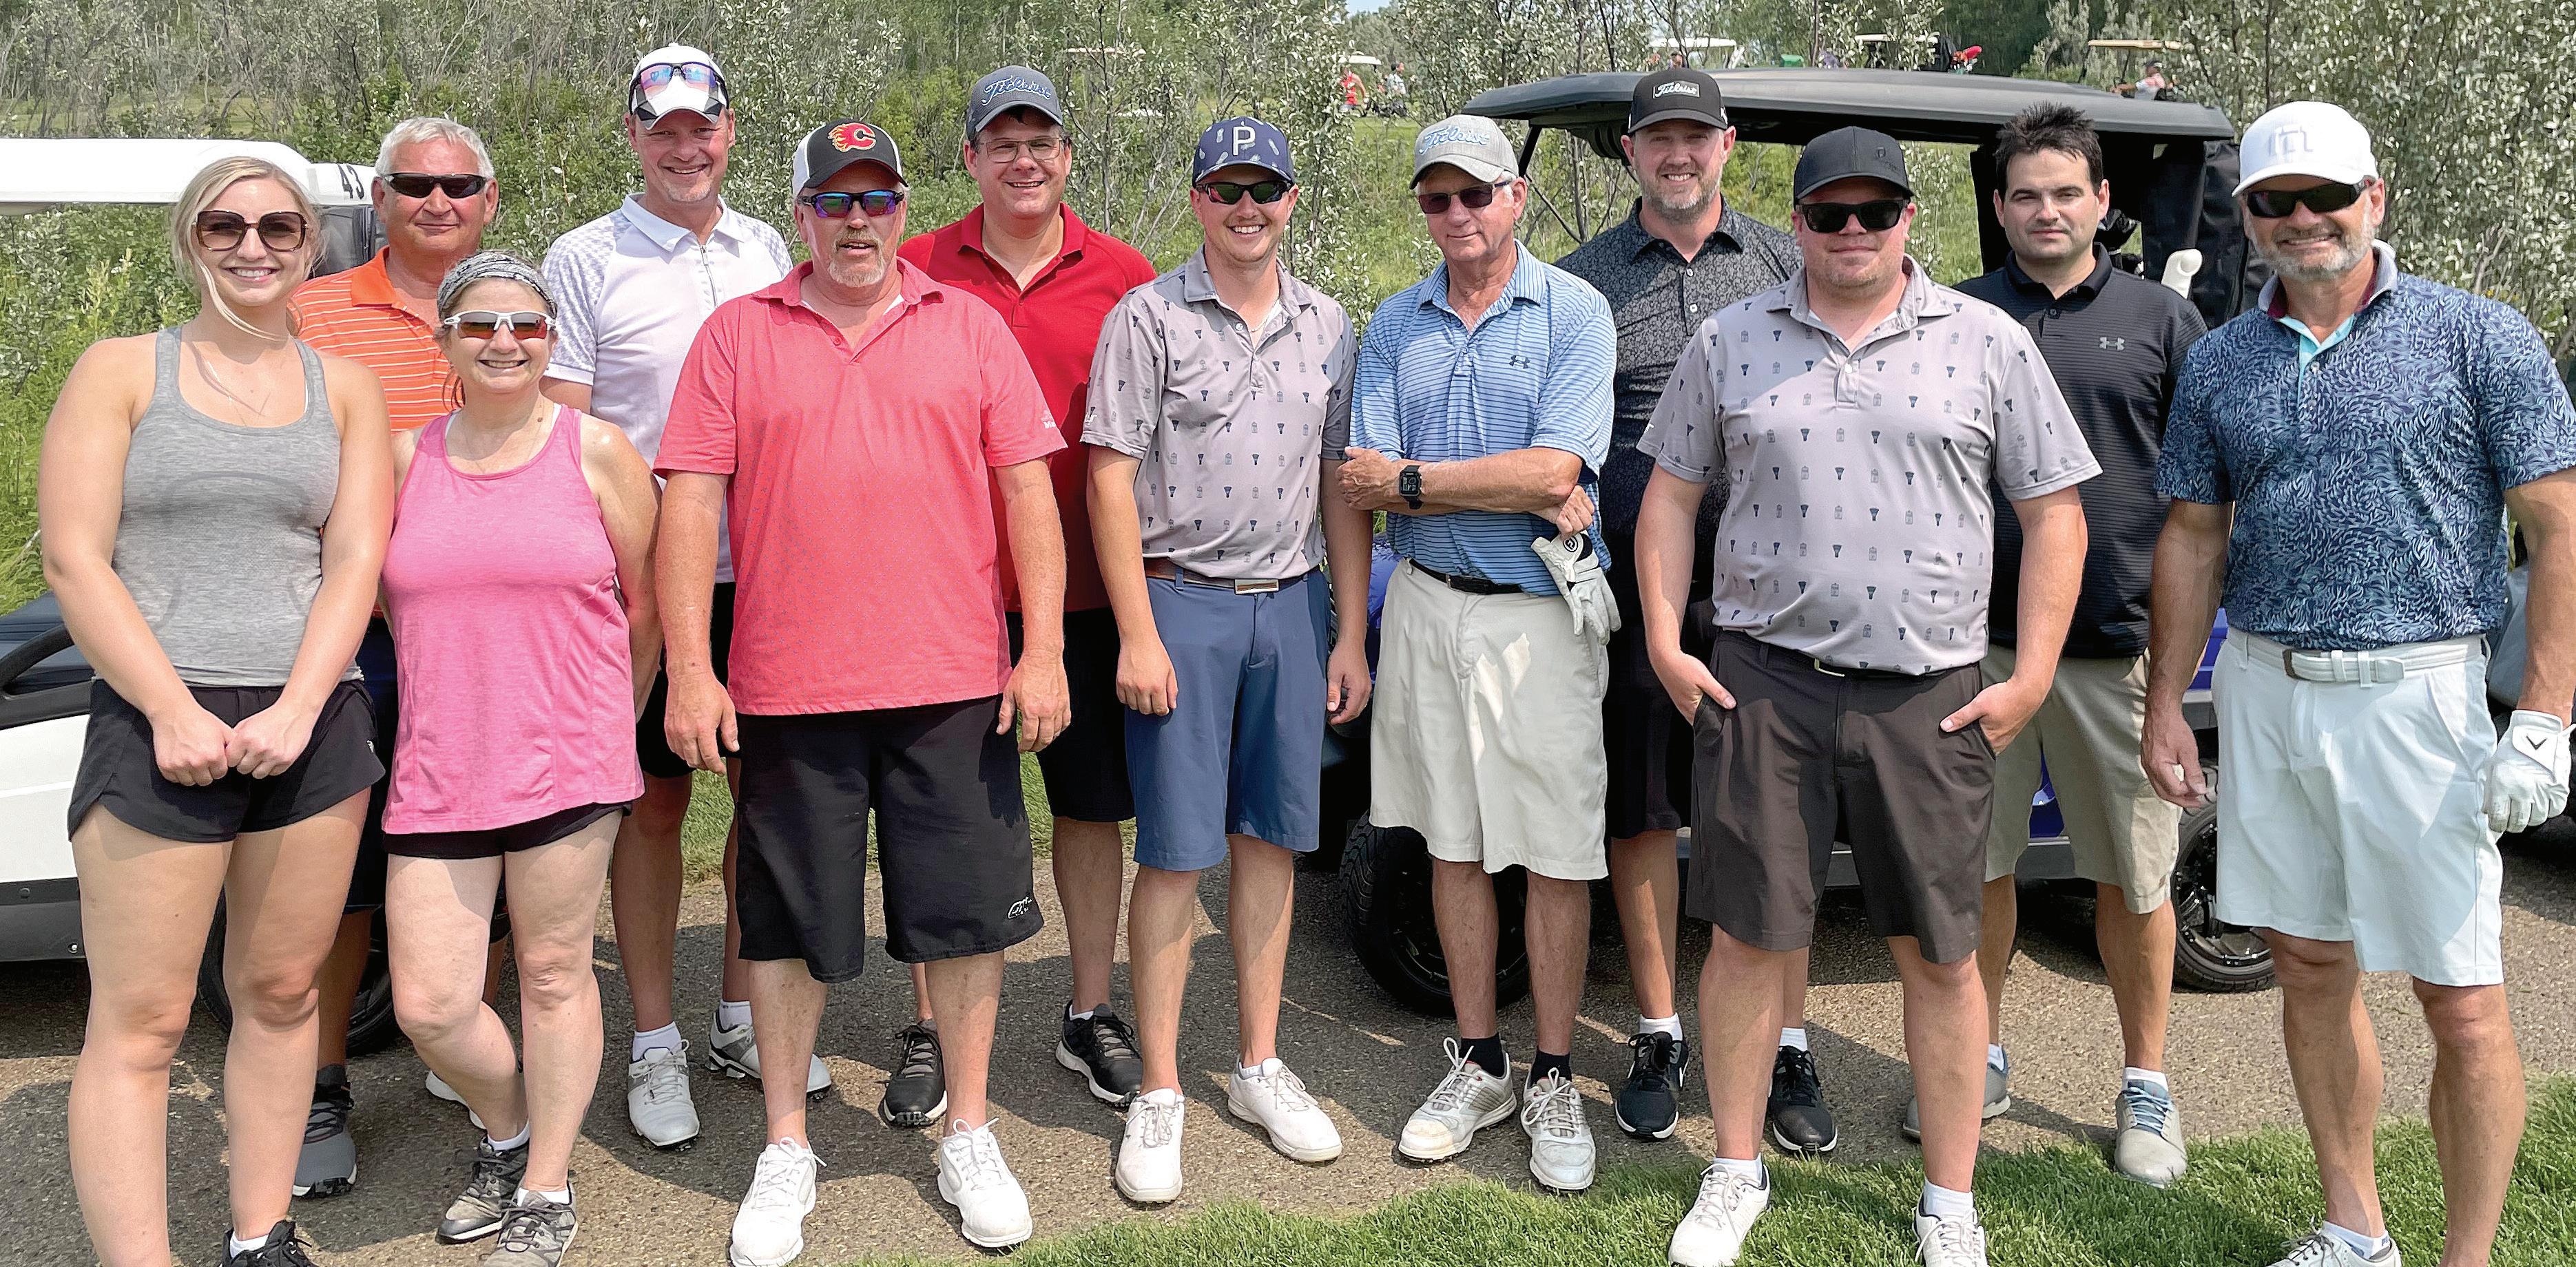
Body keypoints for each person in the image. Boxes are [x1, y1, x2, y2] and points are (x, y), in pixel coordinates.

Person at [1637, 128, 2097, 1267]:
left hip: (1928, 701)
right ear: (1794, 221)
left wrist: (2033, 673)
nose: (1853, 232)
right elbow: (1670, 498)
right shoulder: (1729, 338)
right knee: (1748, 940)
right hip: (1762, 687)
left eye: (1875, 212)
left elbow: (2055, 513)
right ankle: (1734, 1170)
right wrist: (1664, 640)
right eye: (1829, 214)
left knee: (1940, 956)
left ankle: (1949, 1202)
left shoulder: (1986, 340)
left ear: (1909, 218)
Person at [2145, 101, 2576, 1267]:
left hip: (2420, 697)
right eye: (2276, 202)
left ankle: (2465, 1259)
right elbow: (2193, 534)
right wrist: (2166, 701)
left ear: (2374, 200)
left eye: (2327, 197)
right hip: (2266, 687)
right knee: (2308, 965)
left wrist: (2545, 715)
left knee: (2461, 997)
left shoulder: (2479, 336)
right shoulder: (2221, 358)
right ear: (2249, 217)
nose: (2304, 219)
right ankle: (2355, 1229)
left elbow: (2558, 528)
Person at [659, 120, 1070, 1259]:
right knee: (790, 926)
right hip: (791, 686)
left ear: (902, 211)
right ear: (800, 214)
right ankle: (787, 1144)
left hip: (952, 682)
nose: (857, 221)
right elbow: (690, 504)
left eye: (876, 200)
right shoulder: (737, 335)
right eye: (834, 202)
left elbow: (1027, 493)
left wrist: (1042, 649)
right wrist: (690, 668)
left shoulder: (969, 326)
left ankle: (969, 1131)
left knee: (967, 919)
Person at [41, 156, 393, 1267]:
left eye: (279, 226)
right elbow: (75, 558)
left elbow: (355, 561)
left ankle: (258, 1235)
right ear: (190, 238)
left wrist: (299, 707)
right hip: (160, 722)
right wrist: (168, 709)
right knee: (142, 1021)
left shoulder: (345, 387)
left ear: (310, 243)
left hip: (309, 726)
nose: (253, 245)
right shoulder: (119, 371)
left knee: (281, 994)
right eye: (225, 225)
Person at [1083, 116, 1371, 1203]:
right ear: (1199, 199)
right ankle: (1160, 1087)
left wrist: (1347, 630)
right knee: (1174, 853)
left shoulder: (1328, 323)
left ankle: (1257, 1062)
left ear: (1291, 199)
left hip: (1290, 606)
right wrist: (1137, 631)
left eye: (1265, 190)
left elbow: (1339, 485)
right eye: (1226, 190)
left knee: (1272, 841)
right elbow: (1108, 477)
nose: (1247, 209)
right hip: (1182, 604)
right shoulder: (1147, 316)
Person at [1552, 66, 1832, 1155]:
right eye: (1658, 138)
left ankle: (1788, 1041)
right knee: (1642, 810)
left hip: (1773, 592)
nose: (1679, 154)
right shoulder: (1583, 281)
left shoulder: (1786, 262)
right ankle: (1660, 1029)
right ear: (1629, 151)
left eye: (1697, 136)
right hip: (1637, 589)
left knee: (1774, 820)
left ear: (1727, 146)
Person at [1340, 114, 1616, 1195]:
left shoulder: (1573, 312)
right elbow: (1361, 478)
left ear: (1516, 198)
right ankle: (1482, 1061)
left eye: (1475, 194)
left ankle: (1554, 1073)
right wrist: (1491, 484)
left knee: (1554, 853)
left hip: (1536, 613)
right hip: (1425, 606)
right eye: (1437, 198)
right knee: (1450, 841)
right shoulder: (1393, 321)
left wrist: (1420, 482)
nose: (1456, 214)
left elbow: (1554, 474)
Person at [539, 42, 806, 1151]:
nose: (685, 148)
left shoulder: (769, 246)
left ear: (730, 131)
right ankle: (654, 1038)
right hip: (641, 582)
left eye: (703, 127)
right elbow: (567, 433)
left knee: (764, 798)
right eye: (664, 130)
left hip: (775, 573)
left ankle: (740, 1012)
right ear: (634, 136)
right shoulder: (585, 257)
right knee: (650, 804)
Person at [892, 64, 1160, 1127]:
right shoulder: (916, 265)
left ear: (1066, 155)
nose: (1023, 160)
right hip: (945, 593)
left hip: (1086, 592)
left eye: (1040, 141)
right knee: (938, 821)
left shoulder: (1124, 275)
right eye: (1002, 142)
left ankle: (1088, 1009)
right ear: (970, 158)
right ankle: (928, 1024)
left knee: (1090, 812)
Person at [380, 252, 660, 1267]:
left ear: (551, 340)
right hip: (439, 765)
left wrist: (613, 726)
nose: (505, 342)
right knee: (430, 1004)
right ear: (445, 340)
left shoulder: (598, 451)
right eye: (481, 325)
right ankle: (506, 1128)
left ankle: (545, 1183)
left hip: (569, 759)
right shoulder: (404, 460)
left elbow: (644, 609)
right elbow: (381, 602)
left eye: (527, 325)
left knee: (551, 971)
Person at [1950, 103, 2208, 1186]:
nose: (2046, 211)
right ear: (2000, 207)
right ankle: (1976, 1058)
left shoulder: (2162, 321)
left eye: (2066, 193)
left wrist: (2176, 673)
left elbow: (2199, 504)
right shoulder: (1956, 314)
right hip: (1978, 648)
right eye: (2026, 195)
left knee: (2134, 880)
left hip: (2116, 650)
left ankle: (2146, 1083)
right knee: (1978, 870)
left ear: (2103, 202)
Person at [287, 114, 501, 1200]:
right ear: (380, 199)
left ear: (489, 201)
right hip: (358, 638)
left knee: (496, 847)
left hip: (489, 642)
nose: (438, 202)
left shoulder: (511, 309)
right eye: (415, 184)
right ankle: (322, 1085)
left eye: (459, 185)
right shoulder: (314, 310)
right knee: (344, 873)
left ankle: (465, 1046)